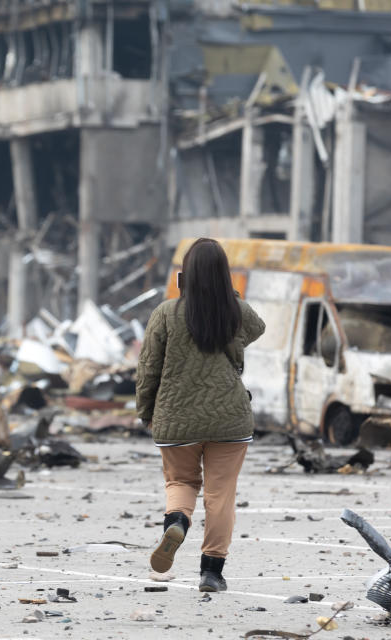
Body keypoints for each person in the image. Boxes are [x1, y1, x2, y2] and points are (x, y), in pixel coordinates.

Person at [135, 238, 265, 592]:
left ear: (185, 275)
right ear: (224, 276)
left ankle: (176, 522)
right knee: (220, 494)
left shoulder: (165, 313)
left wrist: (146, 410)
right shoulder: (234, 312)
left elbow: (149, 369)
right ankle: (211, 572)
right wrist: (228, 297)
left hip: (177, 419)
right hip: (230, 419)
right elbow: (257, 328)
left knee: (181, 482)